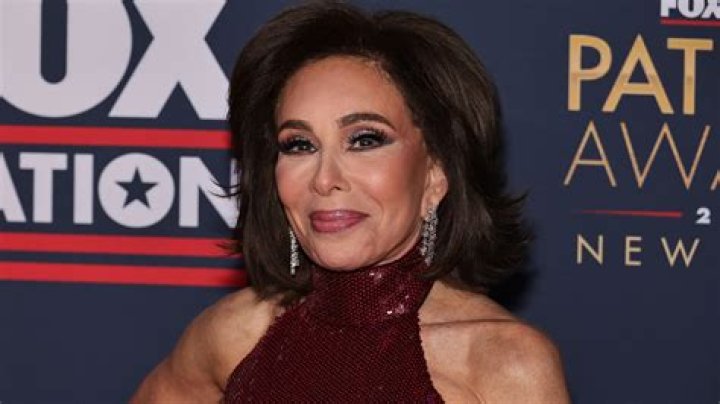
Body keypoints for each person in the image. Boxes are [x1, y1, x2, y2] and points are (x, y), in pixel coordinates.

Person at [131, 2, 569, 402]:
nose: (324, 179)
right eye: (299, 144)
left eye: (364, 140)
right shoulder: (233, 334)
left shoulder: (503, 364)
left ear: (436, 174)